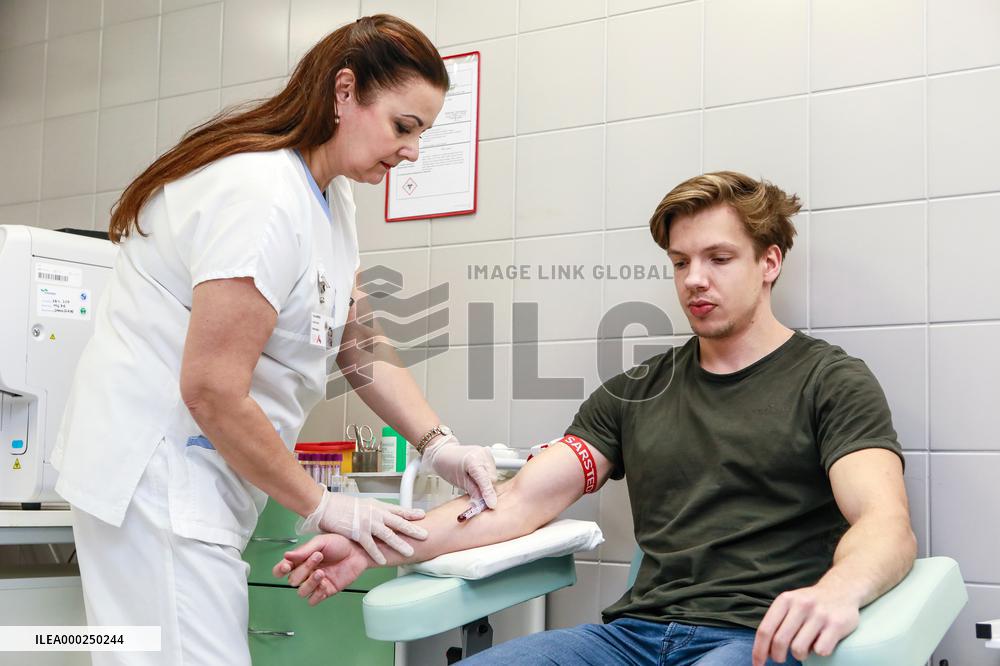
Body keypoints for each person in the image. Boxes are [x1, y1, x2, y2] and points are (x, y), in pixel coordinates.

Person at [274, 172, 917, 666]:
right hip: (634, 637)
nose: (695, 280)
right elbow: (518, 501)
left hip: (756, 636)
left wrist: (839, 590)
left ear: (769, 262)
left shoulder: (831, 381)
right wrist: (367, 546)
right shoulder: (635, 392)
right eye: (680, 262)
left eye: (719, 259)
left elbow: (886, 525)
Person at [52, 15, 498, 666]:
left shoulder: (330, 198)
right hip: (156, 480)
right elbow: (210, 388)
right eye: (405, 127)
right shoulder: (260, 193)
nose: (412, 152)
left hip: (202, 482)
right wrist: (325, 506)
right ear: (345, 92)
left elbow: (359, 344)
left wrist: (440, 445)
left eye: (422, 134)